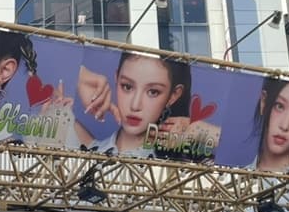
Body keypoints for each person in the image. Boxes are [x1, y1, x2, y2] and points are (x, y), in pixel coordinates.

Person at [70, 52, 220, 158]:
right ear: (116, 78)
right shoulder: (87, 148)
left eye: (153, 92)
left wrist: (196, 130)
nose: (135, 105)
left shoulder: (181, 164)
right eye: (127, 87)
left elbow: (234, 154)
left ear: (173, 95)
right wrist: (81, 77)